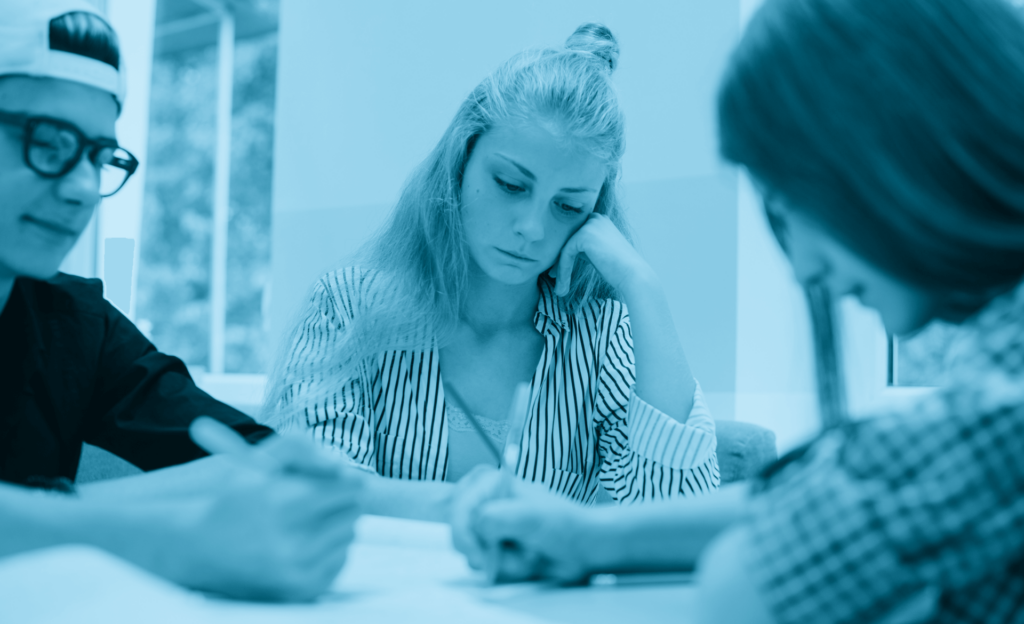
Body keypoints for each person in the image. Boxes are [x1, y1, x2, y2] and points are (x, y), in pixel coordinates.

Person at [453, 0, 1024, 622]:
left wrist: (642, 285)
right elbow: (811, 498)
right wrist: (591, 537)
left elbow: (744, 584)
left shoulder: (997, 410)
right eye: (512, 183)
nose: (803, 266)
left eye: (787, 202)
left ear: (893, 154)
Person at [265, 24, 719, 519]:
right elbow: (311, 491)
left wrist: (643, 287)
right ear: (460, 163)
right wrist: (467, 508)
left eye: (568, 207)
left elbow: (674, 516)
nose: (531, 228)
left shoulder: (601, 336)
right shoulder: (348, 305)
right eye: (510, 184)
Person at [0, 0, 361, 602]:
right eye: (50, 141)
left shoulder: (74, 325)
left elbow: (238, 452)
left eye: (98, 156)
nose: (84, 189)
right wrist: (158, 535)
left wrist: (466, 507)